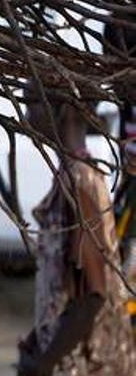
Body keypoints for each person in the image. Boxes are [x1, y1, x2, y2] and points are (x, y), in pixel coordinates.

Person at [18, 83, 136, 375]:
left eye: (32, 103)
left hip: (86, 365)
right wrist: (37, 341)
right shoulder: (72, 176)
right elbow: (64, 287)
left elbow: (92, 298)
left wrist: (43, 365)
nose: (25, 116)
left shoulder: (81, 183)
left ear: (63, 110)